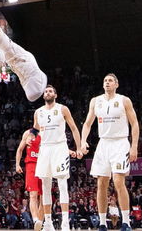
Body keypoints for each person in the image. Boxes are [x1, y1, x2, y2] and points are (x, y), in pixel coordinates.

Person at [82, 74, 140, 231]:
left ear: (116, 84)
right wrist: (83, 141)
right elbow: (87, 123)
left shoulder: (124, 100)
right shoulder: (96, 101)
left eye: (110, 81)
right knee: (101, 183)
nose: (107, 83)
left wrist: (134, 146)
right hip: (103, 143)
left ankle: (126, 222)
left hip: (120, 142)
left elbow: (134, 123)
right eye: (105, 81)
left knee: (118, 181)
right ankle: (102, 223)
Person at [33, 85, 85, 231]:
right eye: (46, 91)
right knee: (45, 186)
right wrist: (31, 136)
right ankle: (48, 222)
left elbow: (74, 128)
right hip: (44, 148)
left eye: (50, 91)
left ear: (55, 95)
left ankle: (65, 223)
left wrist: (78, 147)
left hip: (59, 147)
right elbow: (35, 129)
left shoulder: (63, 109)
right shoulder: (38, 112)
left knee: (62, 184)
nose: (47, 93)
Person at [16, 126, 45, 229]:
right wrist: (17, 164)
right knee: (33, 194)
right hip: (31, 164)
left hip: (44, 165)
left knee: (44, 197)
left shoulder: (47, 132)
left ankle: (41, 222)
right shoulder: (27, 133)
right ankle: (35, 219)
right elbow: (20, 150)